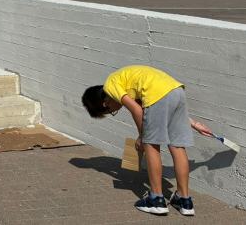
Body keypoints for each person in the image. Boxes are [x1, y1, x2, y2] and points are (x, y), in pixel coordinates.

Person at [81, 65, 213, 217]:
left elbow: (137, 111)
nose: (115, 110)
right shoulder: (127, 81)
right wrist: (194, 124)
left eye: (111, 111)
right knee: (177, 147)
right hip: (176, 90)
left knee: (151, 145)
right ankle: (184, 201)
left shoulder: (111, 85)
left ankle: (156, 200)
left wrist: (142, 137)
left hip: (158, 95)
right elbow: (164, 102)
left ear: (105, 103)